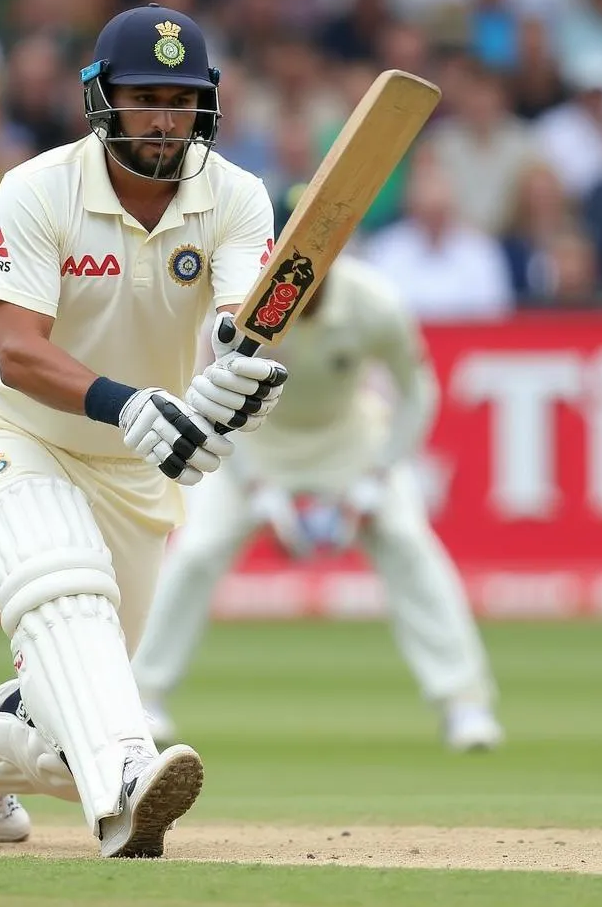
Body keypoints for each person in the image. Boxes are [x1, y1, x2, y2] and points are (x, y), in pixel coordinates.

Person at [0, 4, 288, 857]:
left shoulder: (239, 196)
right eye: (145, 98)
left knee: (70, 713)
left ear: (206, 105)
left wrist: (229, 384)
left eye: (180, 100)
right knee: (61, 585)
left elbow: (233, 322)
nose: (164, 119)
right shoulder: (38, 188)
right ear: (101, 99)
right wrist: (136, 404)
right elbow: (23, 353)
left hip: (133, 473)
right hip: (5, 430)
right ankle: (129, 788)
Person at [132, 255, 504, 753]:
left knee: (409, 544)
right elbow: (208, 401)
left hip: (351, 441)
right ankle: (142, 699)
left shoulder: (375, 304)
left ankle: (465, 702)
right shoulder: (237, 310)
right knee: (195, 551)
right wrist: (259, 491)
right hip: (253, 442)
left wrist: (375, 478)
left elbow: (417, 394)